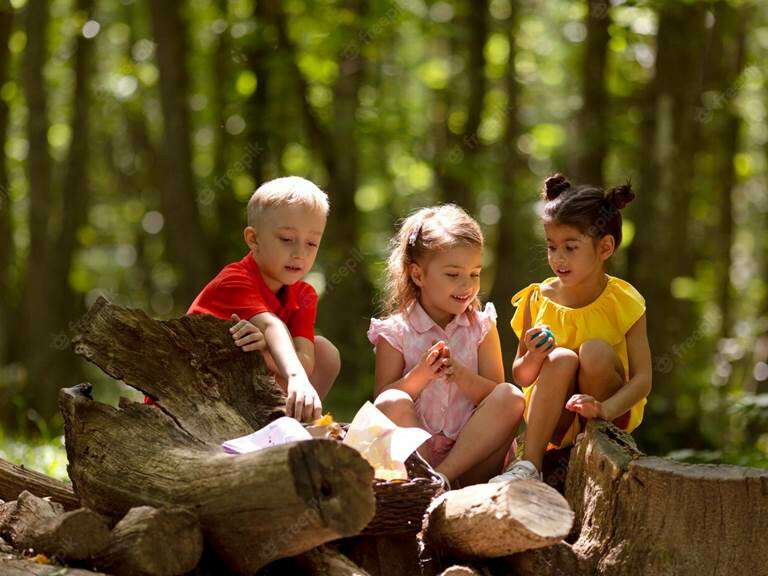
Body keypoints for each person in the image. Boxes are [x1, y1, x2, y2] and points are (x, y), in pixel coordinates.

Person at [490, 174, 652, 483]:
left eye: (570, 247)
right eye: (552, 247)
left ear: (605, 248)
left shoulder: (624, 300)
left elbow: (643, 380)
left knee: (594, 350)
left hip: (609, 411)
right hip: (556, 419)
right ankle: (530, 465)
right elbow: (521, 376)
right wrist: (535, 357)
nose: (558, 258)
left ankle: (597, 448)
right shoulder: (536, 299)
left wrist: (604, 408)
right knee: (561, 357)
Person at [146, 176, 339, 422]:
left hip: (239, 393)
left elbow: (308, 361)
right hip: (188, 395)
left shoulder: (304, 294)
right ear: (253, 239)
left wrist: (267, 354)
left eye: (311, 243)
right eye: (287, 239)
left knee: (326, 352)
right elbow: (270, 325)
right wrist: (295, 377)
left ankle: (288, 423)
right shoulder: (234, 280)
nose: (300, 253)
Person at [368, 204, 525, 488]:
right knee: (390, 402)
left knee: (511, 396)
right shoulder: (395, 332)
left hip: (475, 460)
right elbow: (383, 401)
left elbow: (495, 396)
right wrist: (421, 376)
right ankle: (426, 480)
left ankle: (442, 479)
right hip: (416, 459)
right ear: (418, 275)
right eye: (453, 275)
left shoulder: (482, 327)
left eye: (475, 274)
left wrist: (462, 376)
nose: (467, 285)